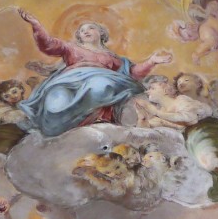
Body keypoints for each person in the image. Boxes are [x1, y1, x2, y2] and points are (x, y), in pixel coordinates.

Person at [16, 11, 172, 137]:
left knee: (100, 85)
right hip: (67, 82)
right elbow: (48, 45)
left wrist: (151, 61)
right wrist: (36, 25)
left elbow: (132, 73)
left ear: (101, 33)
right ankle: (61, 127)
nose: (85, 31)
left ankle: (96, 118)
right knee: (55, 101)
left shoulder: (113, 58)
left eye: (90, 28)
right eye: (82, 30)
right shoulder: (71, 48)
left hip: (99, 82)